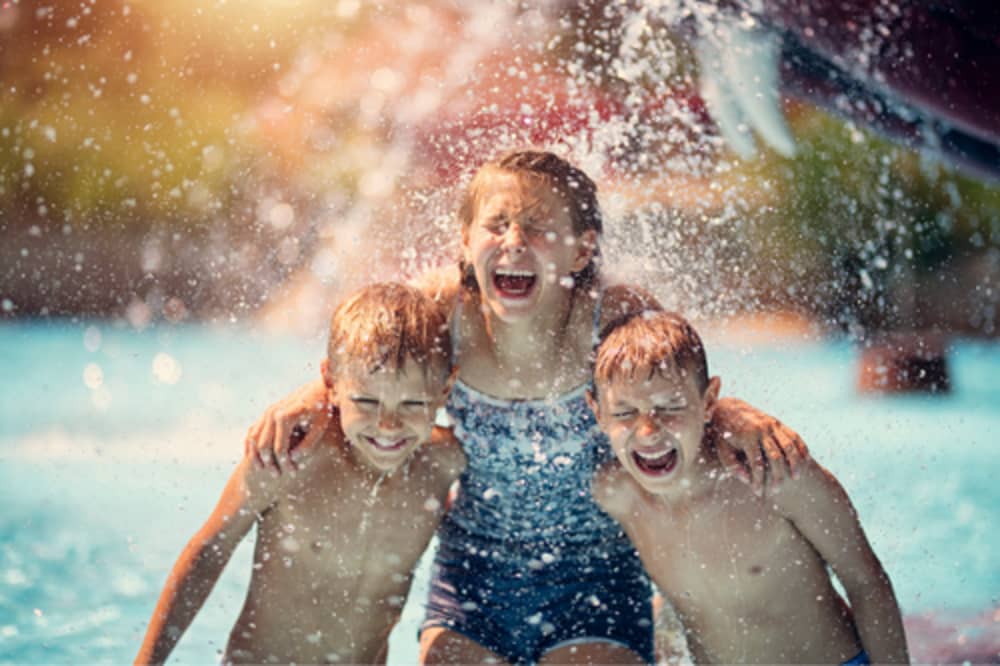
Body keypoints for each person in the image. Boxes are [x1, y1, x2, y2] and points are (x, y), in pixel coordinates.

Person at [246, 150, 810, 665]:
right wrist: (312, 397)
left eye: (539, 228)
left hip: (598, 571)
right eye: (497, 225)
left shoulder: (611, 314)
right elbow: (368, 361)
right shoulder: (445, 309)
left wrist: (731, 412)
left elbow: (679, 388)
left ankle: (656, 626)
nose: (514, 240)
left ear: (583, 247)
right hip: (475, 572)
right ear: (466, 240)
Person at [135, 283, 465, 665]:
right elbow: (210, 551)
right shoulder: (291, 456)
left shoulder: (443, 464)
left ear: (444, 392)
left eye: (411, 403)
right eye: (366, 401)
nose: (387, 424)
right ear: (331, 385)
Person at [587, 310, 909, 665]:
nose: (648, 431)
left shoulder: (774, 474)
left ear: (709, 402)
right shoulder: (615, 494)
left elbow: (865, 580)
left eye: (670, 407)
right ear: (597, 412)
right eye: (624, 413)